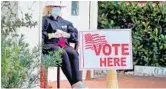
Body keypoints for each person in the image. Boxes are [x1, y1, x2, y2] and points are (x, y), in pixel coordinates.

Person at [42, 1, 87, 88]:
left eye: (59, 7)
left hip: (63, 44)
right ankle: (74, 84)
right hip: (50, 45)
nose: (57, 9)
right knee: (61, 52)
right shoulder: (44, 20)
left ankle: (79, 84)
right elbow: (39, 34)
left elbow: (74, 36)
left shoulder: (65, 22)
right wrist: (51, 35)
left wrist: (67, 35)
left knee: (73, 53)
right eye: (55, 6)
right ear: (49, 8)